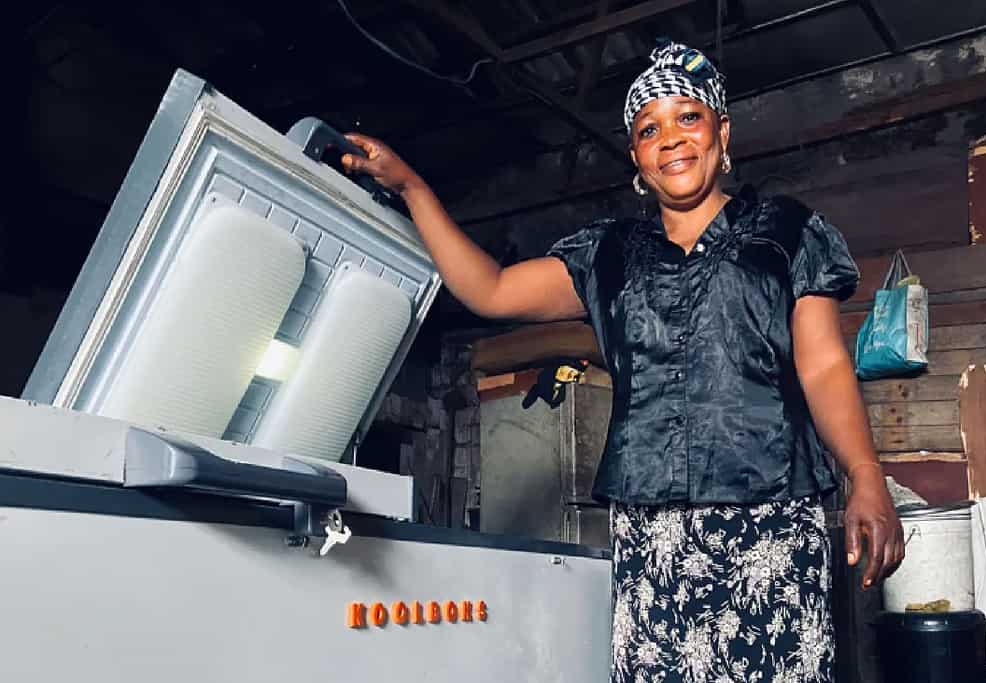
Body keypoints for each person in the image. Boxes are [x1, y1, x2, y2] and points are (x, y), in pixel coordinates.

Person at [341, 41, 904, 683]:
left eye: (687, 118)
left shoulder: (786, 233)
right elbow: (490, 289)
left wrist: (866, 474)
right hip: (651, 526)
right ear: (636, 158)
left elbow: (824, 366)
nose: (671, 139)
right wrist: (413, 187)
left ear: (722, 133)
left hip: (770, 518)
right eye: (649, 130)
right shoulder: (608, 254)